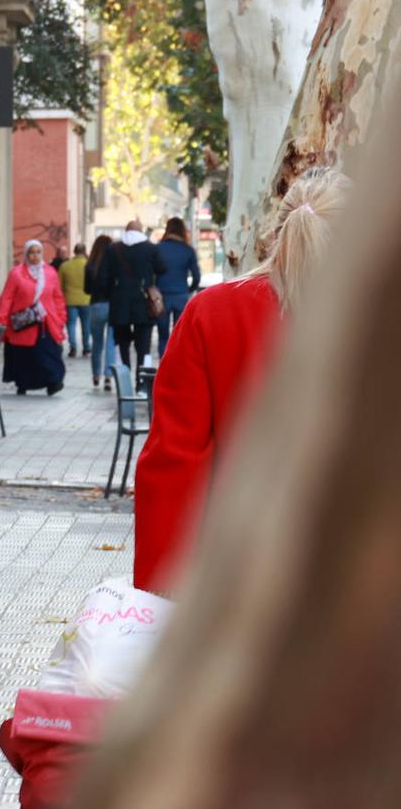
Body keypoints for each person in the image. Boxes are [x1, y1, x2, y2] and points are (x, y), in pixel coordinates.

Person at [133, 167, 350, 593]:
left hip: (234, 578)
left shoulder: (210, 313)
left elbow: (173, 464)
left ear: (277, 231)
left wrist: (157, 595)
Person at [0, 239, 68, 396]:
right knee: (25, 356)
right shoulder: (16, 274)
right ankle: (23, 384)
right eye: (31, 252)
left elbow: (58, 297)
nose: (34, 256)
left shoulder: (50, 273)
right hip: (24, 322)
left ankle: (53, 382)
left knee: (49, 353)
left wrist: (61, 317)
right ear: (26, 254)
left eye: (37, 252)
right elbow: (7, 298)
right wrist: (1, 320)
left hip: (46, 322)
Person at [95, 220, 167, 368]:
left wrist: (111, 293)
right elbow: (162, 268)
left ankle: (125, 372)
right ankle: (141, 381)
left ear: (126, 231)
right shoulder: (150, 248)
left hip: (119, 303)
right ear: (141, 231)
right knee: (143, 344)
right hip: (144, 302)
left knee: (122, 343)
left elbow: (102, 277)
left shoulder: (113, 249)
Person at [154, 216, 202, 357]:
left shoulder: (158, 248)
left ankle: (163, 363)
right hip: (181, 295)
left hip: (161, 296)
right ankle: (176, 362)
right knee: (179, 335)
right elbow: (196, 276)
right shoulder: (188, 250)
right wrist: (189, 289)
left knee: (162, 335)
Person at [83, 235, 119, 391]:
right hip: (113, 306)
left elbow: (87, 289)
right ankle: (108, 377)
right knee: (111, 343)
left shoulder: (90, 265)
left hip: (96, 305)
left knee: (97, 343)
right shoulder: (115, 265)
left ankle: (95, 375)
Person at [58, 242, 91, 358]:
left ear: (74, 251)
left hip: (70, 300)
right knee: (86, 325)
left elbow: (59, 285)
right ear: (85, 251)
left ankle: (73, 348)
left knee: (71, 324)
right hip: (86, 300)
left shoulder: (65, 266)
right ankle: (86, 348)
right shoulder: (89, 264)